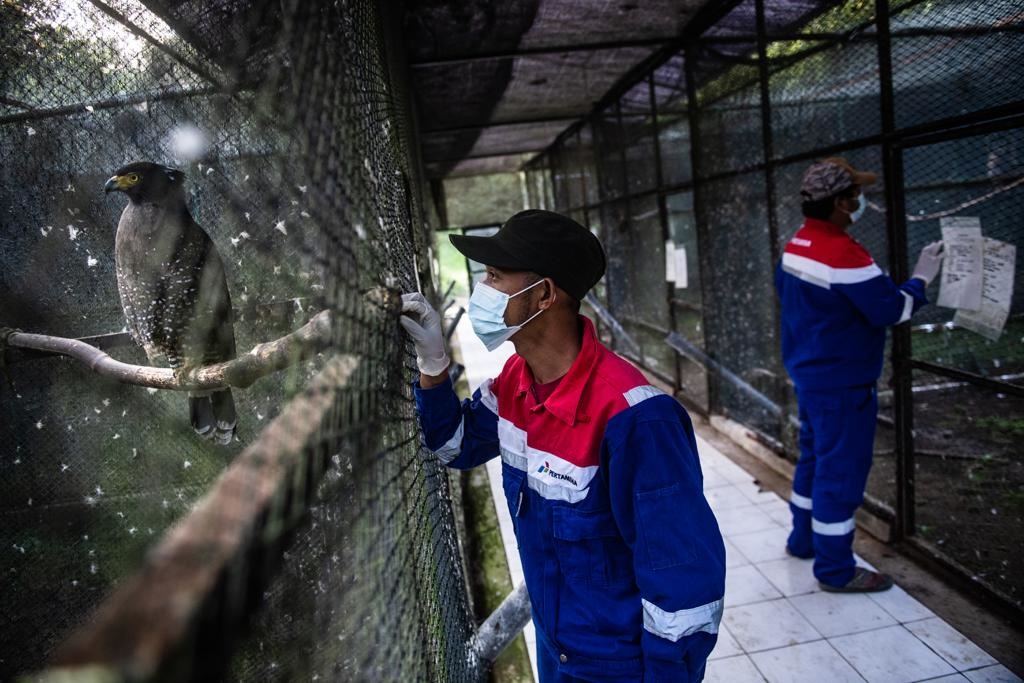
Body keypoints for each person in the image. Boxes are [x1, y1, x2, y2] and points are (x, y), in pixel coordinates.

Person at [400, 210, 725, 682]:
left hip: (616, 669)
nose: (482, 289)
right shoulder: (516, 381)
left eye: (495, 276)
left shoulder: (635, 419)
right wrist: (433, 364)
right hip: (555, 651)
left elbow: (684, 588)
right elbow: (455, 446)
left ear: (545, 294)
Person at [775, 158, 944, 593]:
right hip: (843, 384)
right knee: (840, 471)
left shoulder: (798, 243)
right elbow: (892, 308)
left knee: (814, 459)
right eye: (855, 194)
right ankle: (835, 569)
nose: (860, 200)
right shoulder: (842, 252)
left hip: (810, 375)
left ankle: (802, 540)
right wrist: (921, 279)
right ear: (839, 203)